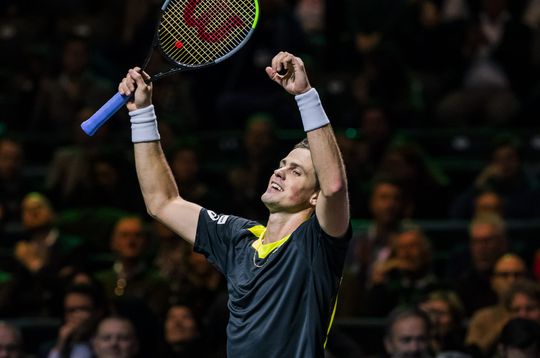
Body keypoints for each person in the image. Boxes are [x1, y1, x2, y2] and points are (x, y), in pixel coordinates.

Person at [117, 51, 351, 357]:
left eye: (296, 171)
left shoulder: (317, 244)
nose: (280, 170)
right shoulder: (239, 239)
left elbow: (334, 186)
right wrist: (142, 113)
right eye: (282, 163)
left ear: (314, 196)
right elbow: (162, 203)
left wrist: (305, 96)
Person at [465, 253, 528, 357]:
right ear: (493, 281)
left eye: (518, 275)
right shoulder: (482, 317)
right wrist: (506, 321)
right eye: (504, 275)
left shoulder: (534, 313)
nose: (512, 280)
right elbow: (473, 352)